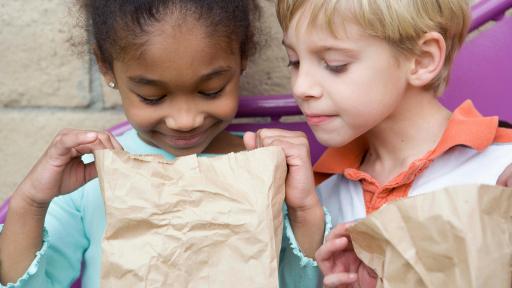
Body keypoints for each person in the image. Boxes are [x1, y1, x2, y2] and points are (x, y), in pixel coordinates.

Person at [0, 1, 329, 287]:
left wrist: (301, 210)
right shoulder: (90, 181)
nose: (184, 120)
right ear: (105, 65)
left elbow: (298, 282)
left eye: (211, 90)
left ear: (242, 57)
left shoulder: (263, 169)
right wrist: (29, 202)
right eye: (152, 97)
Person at [271, 0, 512, 286]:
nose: (300, 87)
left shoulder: (502, 166)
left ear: (422, 59)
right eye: (294, 61)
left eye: (335, 65)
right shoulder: (317, 194)